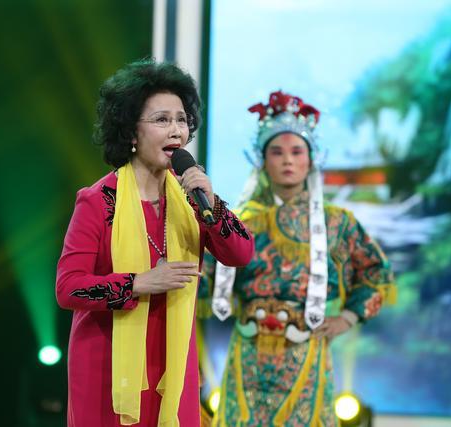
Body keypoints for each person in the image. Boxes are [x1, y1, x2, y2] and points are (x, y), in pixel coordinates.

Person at [56, 59, 254, 427]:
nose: (176, 130)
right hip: (108, 370)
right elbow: (68, 288)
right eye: (161, 120)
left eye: (181, 120)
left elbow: (241, 253)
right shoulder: (98, 201)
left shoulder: (193, 198)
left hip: (173, 369)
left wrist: (212, 203)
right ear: (131, 132)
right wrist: (138, 283)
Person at [199, 91, 396, 426]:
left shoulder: (336, 223)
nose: (287, 161)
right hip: (248, 350)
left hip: (306, 351)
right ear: (262, 161)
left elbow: (377, 274)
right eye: (276, 152)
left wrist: (348, 317)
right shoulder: (238, 222)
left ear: (311, 160)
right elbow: (204, 277)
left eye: (296, 152)